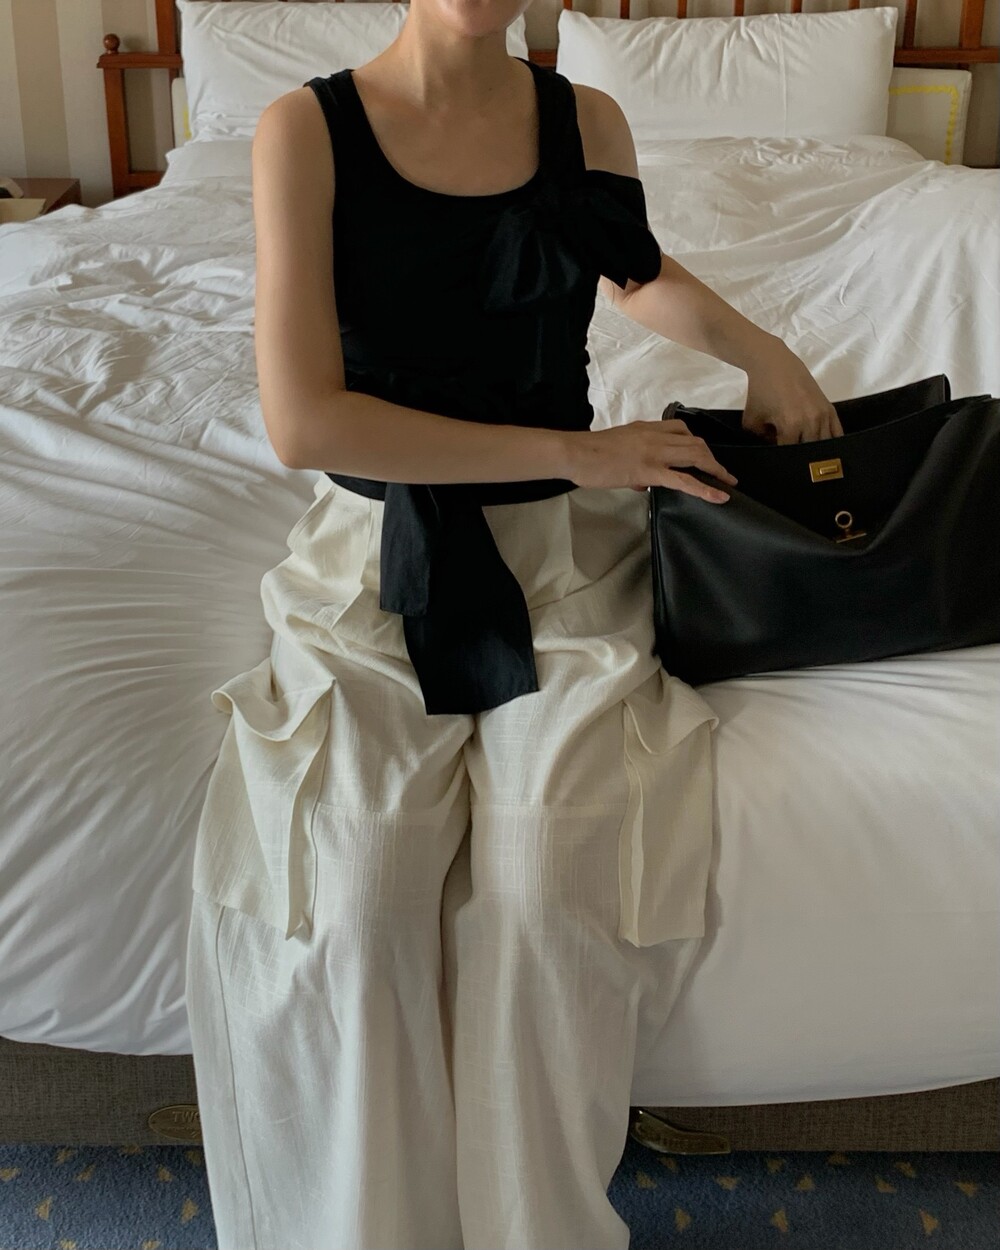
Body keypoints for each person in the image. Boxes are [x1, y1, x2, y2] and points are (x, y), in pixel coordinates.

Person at [183, 2, 843, 1248]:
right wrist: (579, 450)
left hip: (567, 557)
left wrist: (764, 352)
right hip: (376, 554)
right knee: (356, 889)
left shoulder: (586, 119)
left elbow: (632, 271)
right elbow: (304, 423)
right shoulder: (302, 130)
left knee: (549, 882)